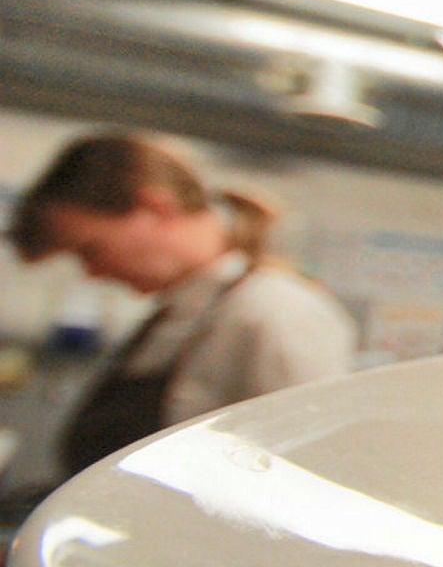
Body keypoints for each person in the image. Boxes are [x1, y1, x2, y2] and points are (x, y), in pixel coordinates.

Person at [8, 133, 358, 474]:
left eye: (91, 250)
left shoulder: (272, 311)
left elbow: (308, 471)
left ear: (155, 208)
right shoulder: (177, 312)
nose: (92, 273)